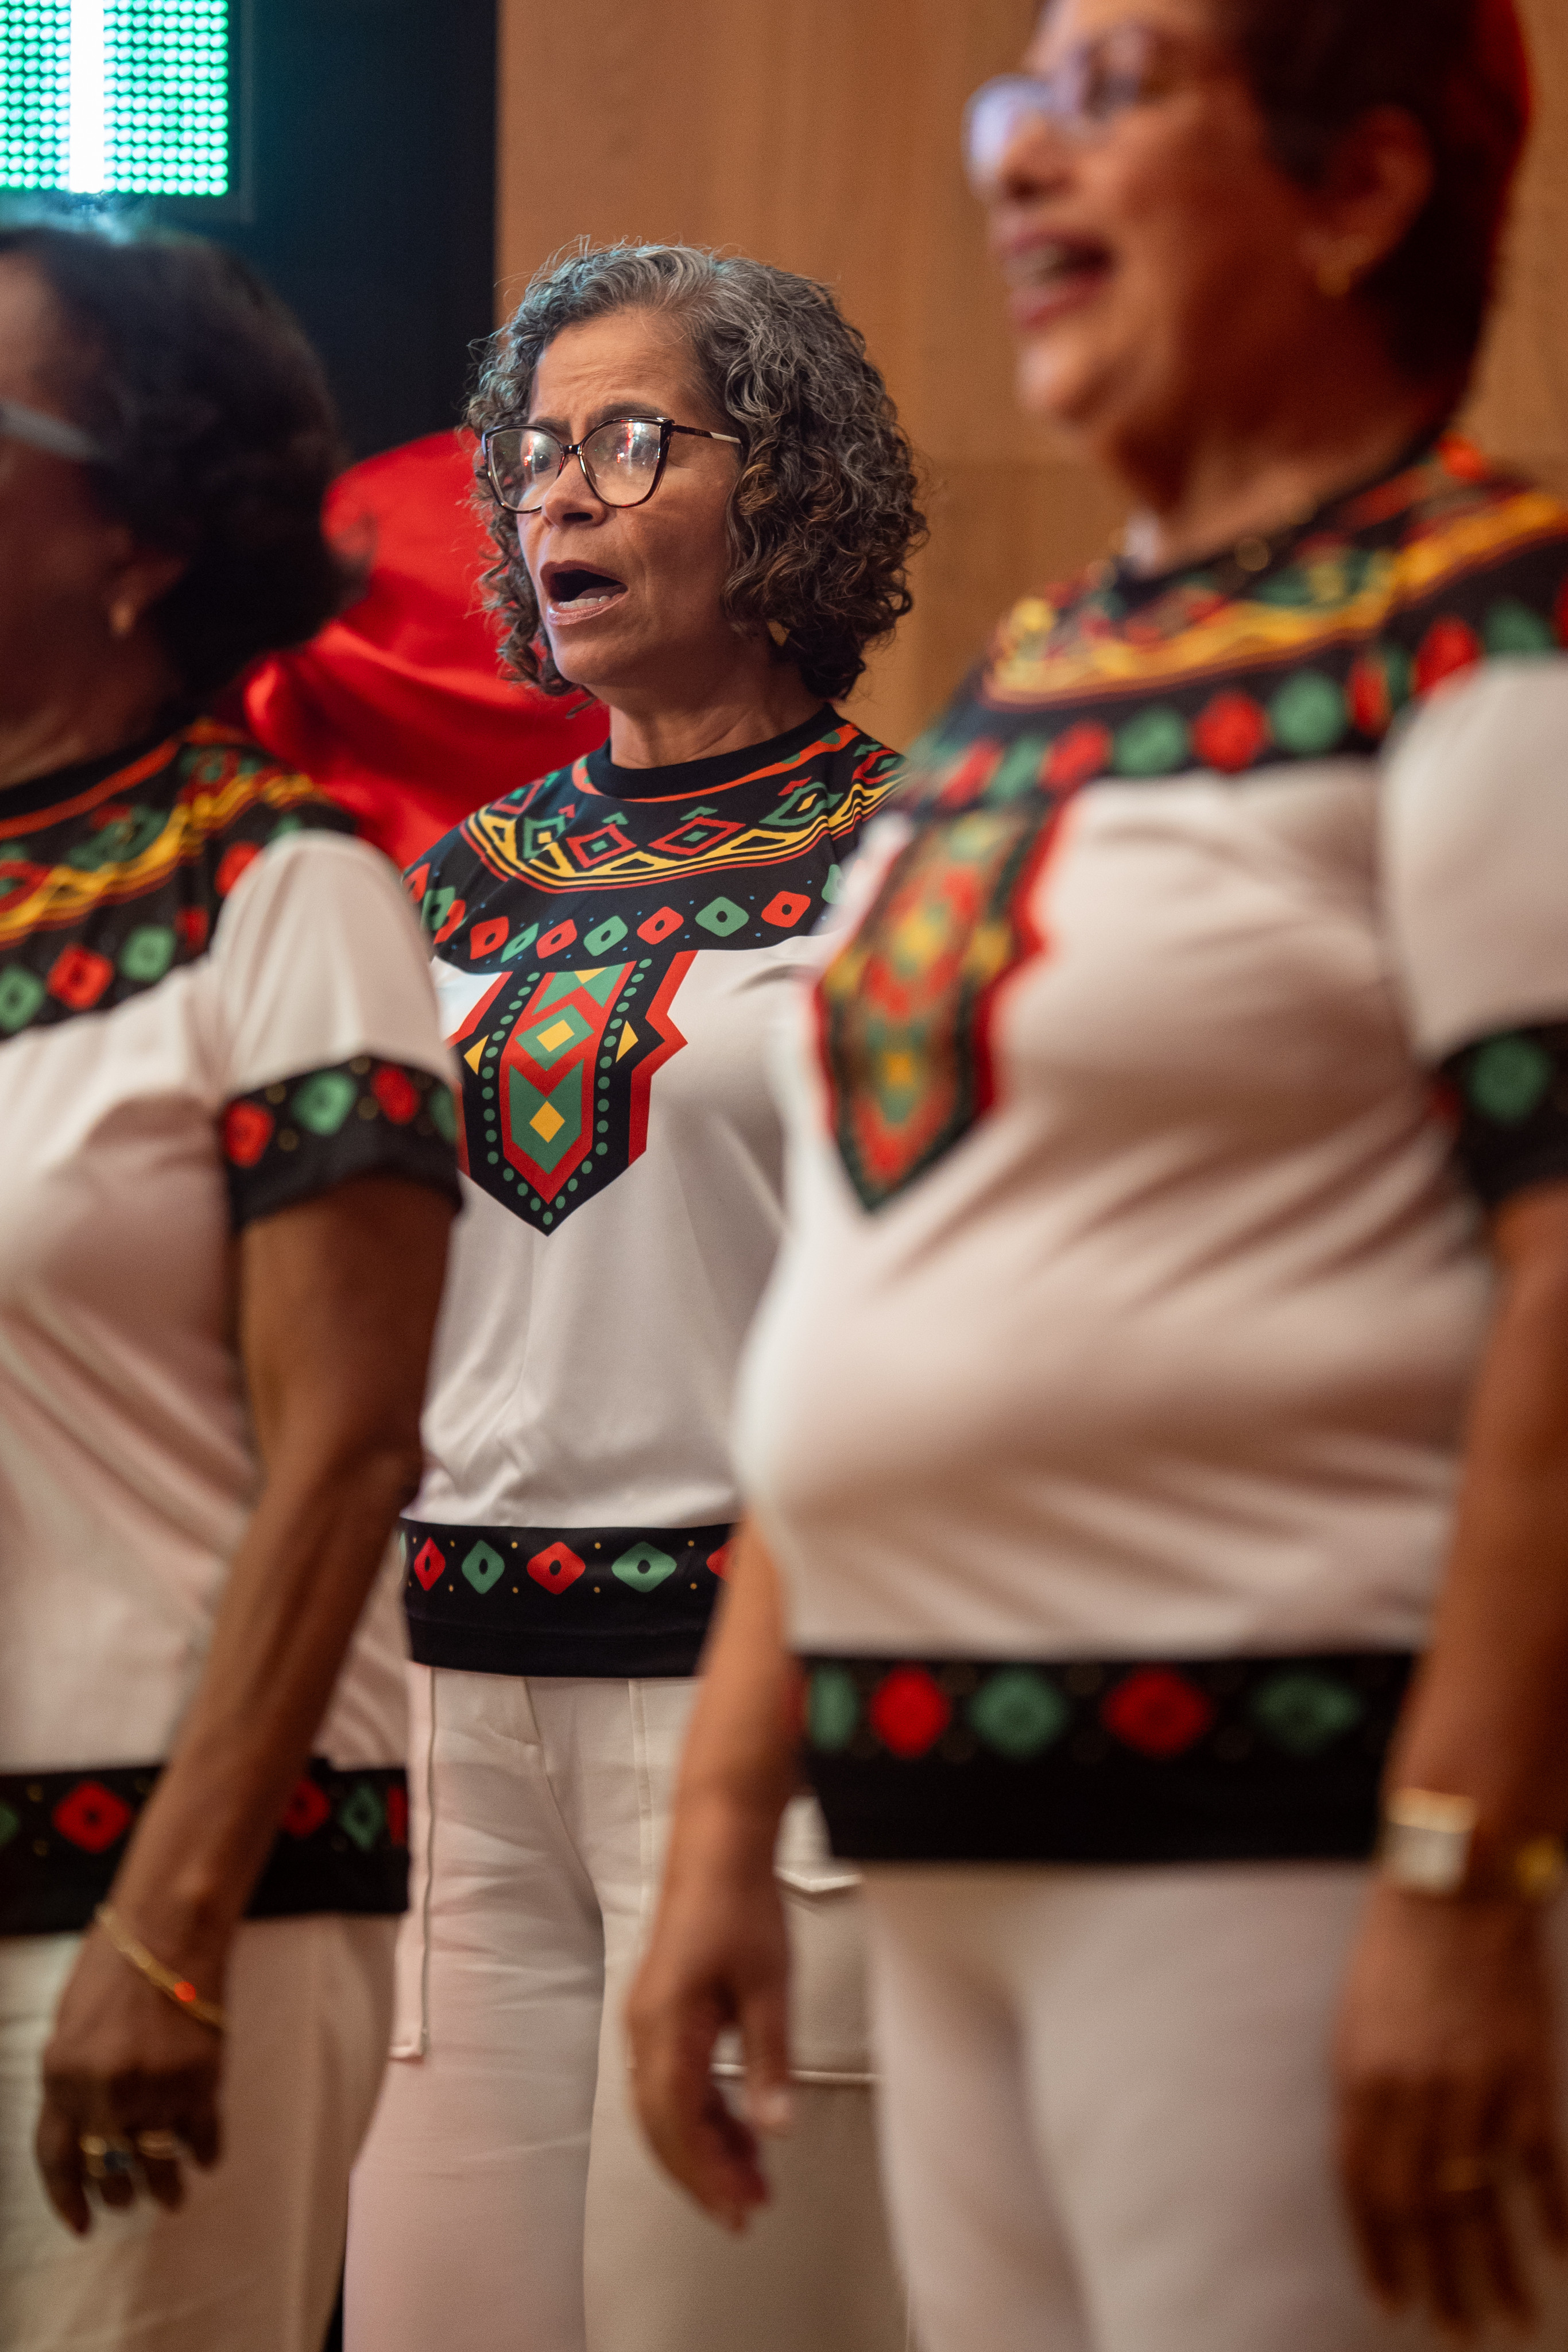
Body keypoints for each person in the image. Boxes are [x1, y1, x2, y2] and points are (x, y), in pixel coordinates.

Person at [630, 5, 1568, 2349]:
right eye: (1016, 99)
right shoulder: (1025, 690)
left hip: (1282, 1835)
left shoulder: (1492, 630)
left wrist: (1458, 1876)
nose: (1020, 162)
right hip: (935, 1826)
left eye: (1110, 96)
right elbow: (868, 1272)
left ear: (1358, 190)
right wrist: (724, 1816)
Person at [344, 244, 923, 2352]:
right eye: (534, 456)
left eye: (628, 442)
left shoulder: (912, 863)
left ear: (784, 483)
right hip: (442, 1719)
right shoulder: (451, 884)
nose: (558, 497)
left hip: (758, 1725)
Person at [0, 219, 459, 2352]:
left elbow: (349, 1450)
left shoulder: (286, 893)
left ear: (144, 537)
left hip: (160, 1902)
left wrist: (167, 1923)